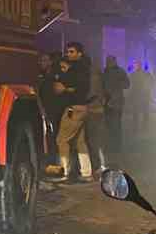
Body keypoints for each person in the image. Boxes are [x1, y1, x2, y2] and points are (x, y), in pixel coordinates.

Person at [52, 41, 95, 183]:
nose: (68, 54)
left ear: (79, 53)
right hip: (82, 108)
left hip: (74, 109)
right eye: (68, 51)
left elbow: (66, 85)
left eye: (71, 52)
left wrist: (64, 85)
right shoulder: (84, 67)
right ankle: (86, 173)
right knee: (79, 142)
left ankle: (65, 173)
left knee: (61, 140)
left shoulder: (77, 69)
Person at [35, 51, 61, 174]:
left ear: (50, 62)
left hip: (56, 110)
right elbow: (38, 95)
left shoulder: (55, 76)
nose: (42, 63)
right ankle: (51, 163)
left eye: (45, 60)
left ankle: (56, 163)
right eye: (40, 60)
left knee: (56, 137)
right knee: (49, 137)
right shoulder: (40, 77)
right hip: (46, 111)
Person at [102, 55, 130, 155]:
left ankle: (116, 146)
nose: (108, 62)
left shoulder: (120, 72)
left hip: (116, 102)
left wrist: (117, 87)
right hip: (108, 102)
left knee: (115, 125)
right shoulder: (105, 72)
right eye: (107, 61)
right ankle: (111, 145)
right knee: (109, 125)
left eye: (110, 61)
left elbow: (127, 84)